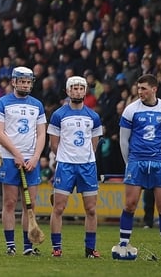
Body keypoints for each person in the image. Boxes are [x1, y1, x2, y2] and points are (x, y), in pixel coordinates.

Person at [112, 74, 161, 262]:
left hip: (160, 162)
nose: (139, 92)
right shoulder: (130, 110)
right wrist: (129, 163)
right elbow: (124, 140)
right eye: (138, 88)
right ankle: (123, 245)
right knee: (130, 204)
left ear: (154, 89)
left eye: (143, 88)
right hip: (136, 161)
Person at [0, 66, 47, 256]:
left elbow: (41, 134)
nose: (25, 85)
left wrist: (35, 157)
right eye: (21, 81)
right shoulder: (2, 103)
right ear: (14, 82)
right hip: (9, 158)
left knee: (29, 205)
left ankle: (28, 247)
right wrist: (16, 153)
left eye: (28, 81)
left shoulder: (37, 105)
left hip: (31, 160)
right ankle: (10, 246)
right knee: (9, 202)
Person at [48, 76, 103, 258]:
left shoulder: (93, 116)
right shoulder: (58, 115)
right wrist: (66, 157)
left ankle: (90, 249)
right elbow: (54, 144)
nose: (77, 91)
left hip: (87, 166)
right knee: (59, 208)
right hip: (65, 166)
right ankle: (56, 247)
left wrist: (84, 157)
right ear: (68, 91)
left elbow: (94, 145)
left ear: (85, 91)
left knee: (91, 209)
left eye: (81, 88)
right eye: (74, 88)